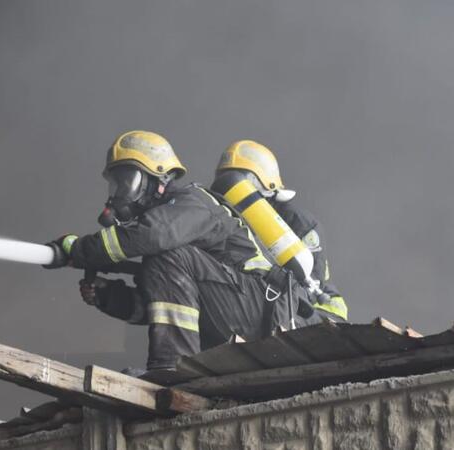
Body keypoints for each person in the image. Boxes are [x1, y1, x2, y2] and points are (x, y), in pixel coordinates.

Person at [44, 130, 291, 372]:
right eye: (116, 185)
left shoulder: (193, 202)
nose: (118, 194)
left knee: (167, 255)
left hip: (261, 309)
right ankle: (178, 367)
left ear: (158, 179)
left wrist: (77, 249)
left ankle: (173, 368)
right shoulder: (168, 252)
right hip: (239, 312)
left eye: (127, 182)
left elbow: (154, 235)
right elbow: (167, 307)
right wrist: (110, 297)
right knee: (161, 263)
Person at [210, 140, 348, 322]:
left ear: (265, 185)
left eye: (236, 183)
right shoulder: (230, 219)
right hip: (273, 303)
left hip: (320, 313)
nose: (231, 191)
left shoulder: (298, 223)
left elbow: (308, 287)